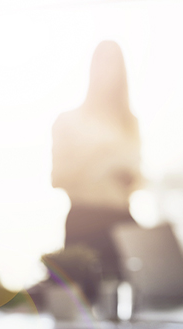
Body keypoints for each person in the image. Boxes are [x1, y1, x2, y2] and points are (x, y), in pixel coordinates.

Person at [51, 41, 142, 282]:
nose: (108, 71)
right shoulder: (69, 121)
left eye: (114, 64)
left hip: (123, 221)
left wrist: (132, 178)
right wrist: (100, 160)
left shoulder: (130, 122)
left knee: (135, 294)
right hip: (85, 223)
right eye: (103, 62)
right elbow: (56, 179)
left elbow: (137, 181)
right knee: (86, 296)